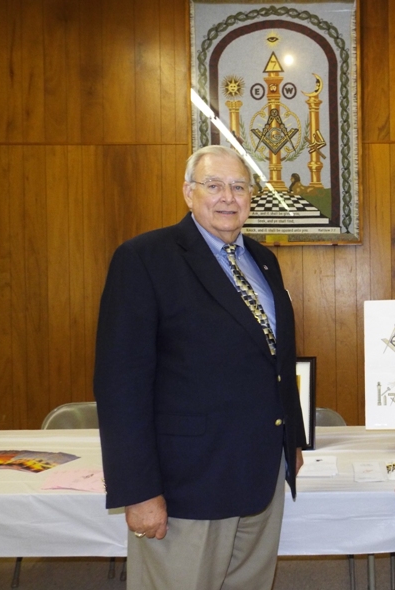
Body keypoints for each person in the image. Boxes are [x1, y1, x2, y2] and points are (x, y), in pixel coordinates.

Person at [94, 144, 305, 590]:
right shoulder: (144, 258)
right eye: (214, 185)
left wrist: (291, 441)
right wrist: (138, 490)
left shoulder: (263, 261)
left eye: (239, 187)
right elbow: (120, 385)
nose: (228, 197)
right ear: (189, 193)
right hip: (186, 485)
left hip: (260, 474)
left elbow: (275, 359)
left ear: (251, 198)